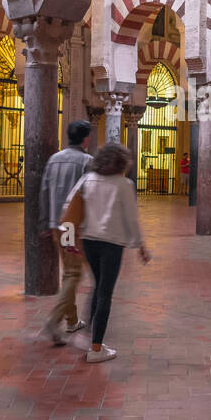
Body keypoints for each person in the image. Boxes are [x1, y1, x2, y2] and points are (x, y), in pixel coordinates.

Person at [60, 143, 150, 363]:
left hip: (90, 242)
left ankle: (92, 337)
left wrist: (70, 238)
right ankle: (96, 348)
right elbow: (131, 218)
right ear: (121, 163)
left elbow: (69, 206)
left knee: (98, 287)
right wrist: (140, 245)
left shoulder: (87, 179)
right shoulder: (124, 184)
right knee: (105, 293)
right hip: (112, 244)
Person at [38, 120, 94, 345]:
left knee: (69, 271)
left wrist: (45, 222)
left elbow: (43, 191)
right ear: (85, 139)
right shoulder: (87, 161)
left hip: (56, 225)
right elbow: (90, 195)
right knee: (73, 274)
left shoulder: (54, 159)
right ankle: (54, 321)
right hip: (73, 226)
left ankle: (72, 320)